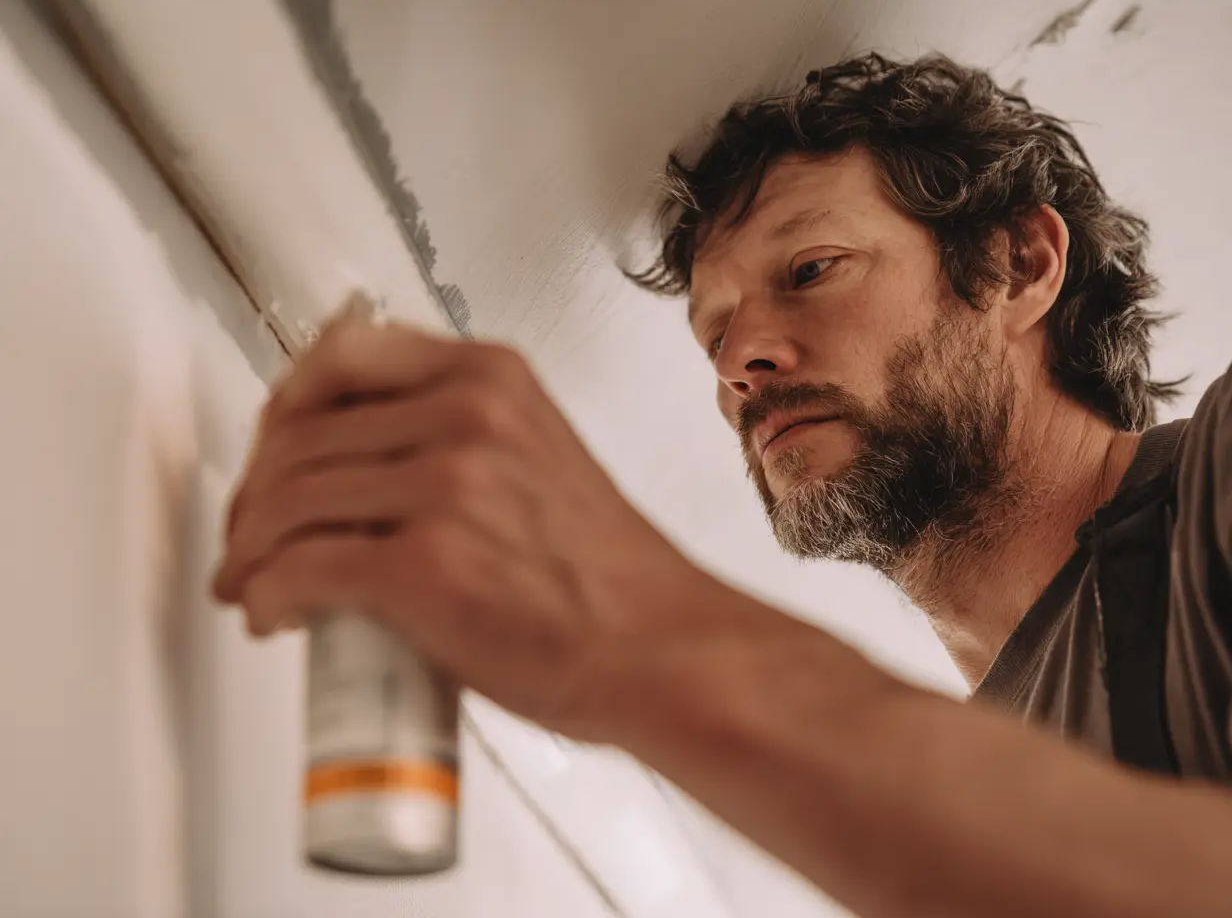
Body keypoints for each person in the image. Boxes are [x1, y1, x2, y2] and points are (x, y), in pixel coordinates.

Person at [212, 54, 1232, 916]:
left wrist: (641, 631)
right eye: (713, 335)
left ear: (1017, 263)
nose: (741, 360)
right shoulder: (948, 811)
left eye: (812, 269)